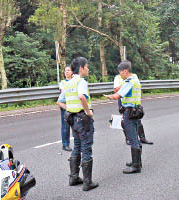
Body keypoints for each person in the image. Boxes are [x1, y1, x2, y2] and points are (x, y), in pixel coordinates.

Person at [62, 57, 99, 191]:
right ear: (81, 68)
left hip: (72, 119)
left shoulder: (69, 82)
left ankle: (73, 177)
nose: (88, 69)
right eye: (87, 67)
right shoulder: (80, 81)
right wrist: (88, 112)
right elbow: (82, 97)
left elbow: (61, 101)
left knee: (77, 147)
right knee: (86, 148)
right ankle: (87, 182)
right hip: (82, 119)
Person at [105, 61, 143, 174]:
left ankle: (136, 165)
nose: (120, 75)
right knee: (135, 136)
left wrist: (109, 97)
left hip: (129, 113)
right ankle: (137, 161)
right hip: (136, 111)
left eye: (120, 73)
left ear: (125, 71)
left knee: (132, 138)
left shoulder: (129, 82)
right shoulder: (136, 80)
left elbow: (118, 95)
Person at [114, 74, 153, 145]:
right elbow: (116, 89)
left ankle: (142, 138)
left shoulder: (134, 76)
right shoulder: (117, 78)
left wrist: (126, 85)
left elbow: (137, 86)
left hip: (133, 100)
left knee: (138, 120)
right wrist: (127, 85)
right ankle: (128, 138)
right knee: (125, 120)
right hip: (123, 101)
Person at [56, 66, 73, 151]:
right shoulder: (63, 82)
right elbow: (64, 93)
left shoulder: (75, 81)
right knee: (65, 126)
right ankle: (65, 144)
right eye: (65, 70)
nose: (67, 72)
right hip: (65, 105)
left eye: (69, 70)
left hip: (74, 105)